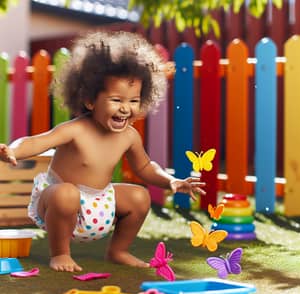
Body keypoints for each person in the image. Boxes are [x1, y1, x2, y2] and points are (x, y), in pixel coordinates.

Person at [0, 31, 206, 272]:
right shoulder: (76, 130)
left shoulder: (128, 136)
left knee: (140, 197)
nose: (125, 109)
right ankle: (60, 253)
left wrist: (171, 181)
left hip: (100, 204)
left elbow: (144, 166)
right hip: (59, 204)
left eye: (133, 101)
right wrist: (13, 150)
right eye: (116, 100)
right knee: (66, 193)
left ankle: (118, 250)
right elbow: (37, 142)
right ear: (89, 100)